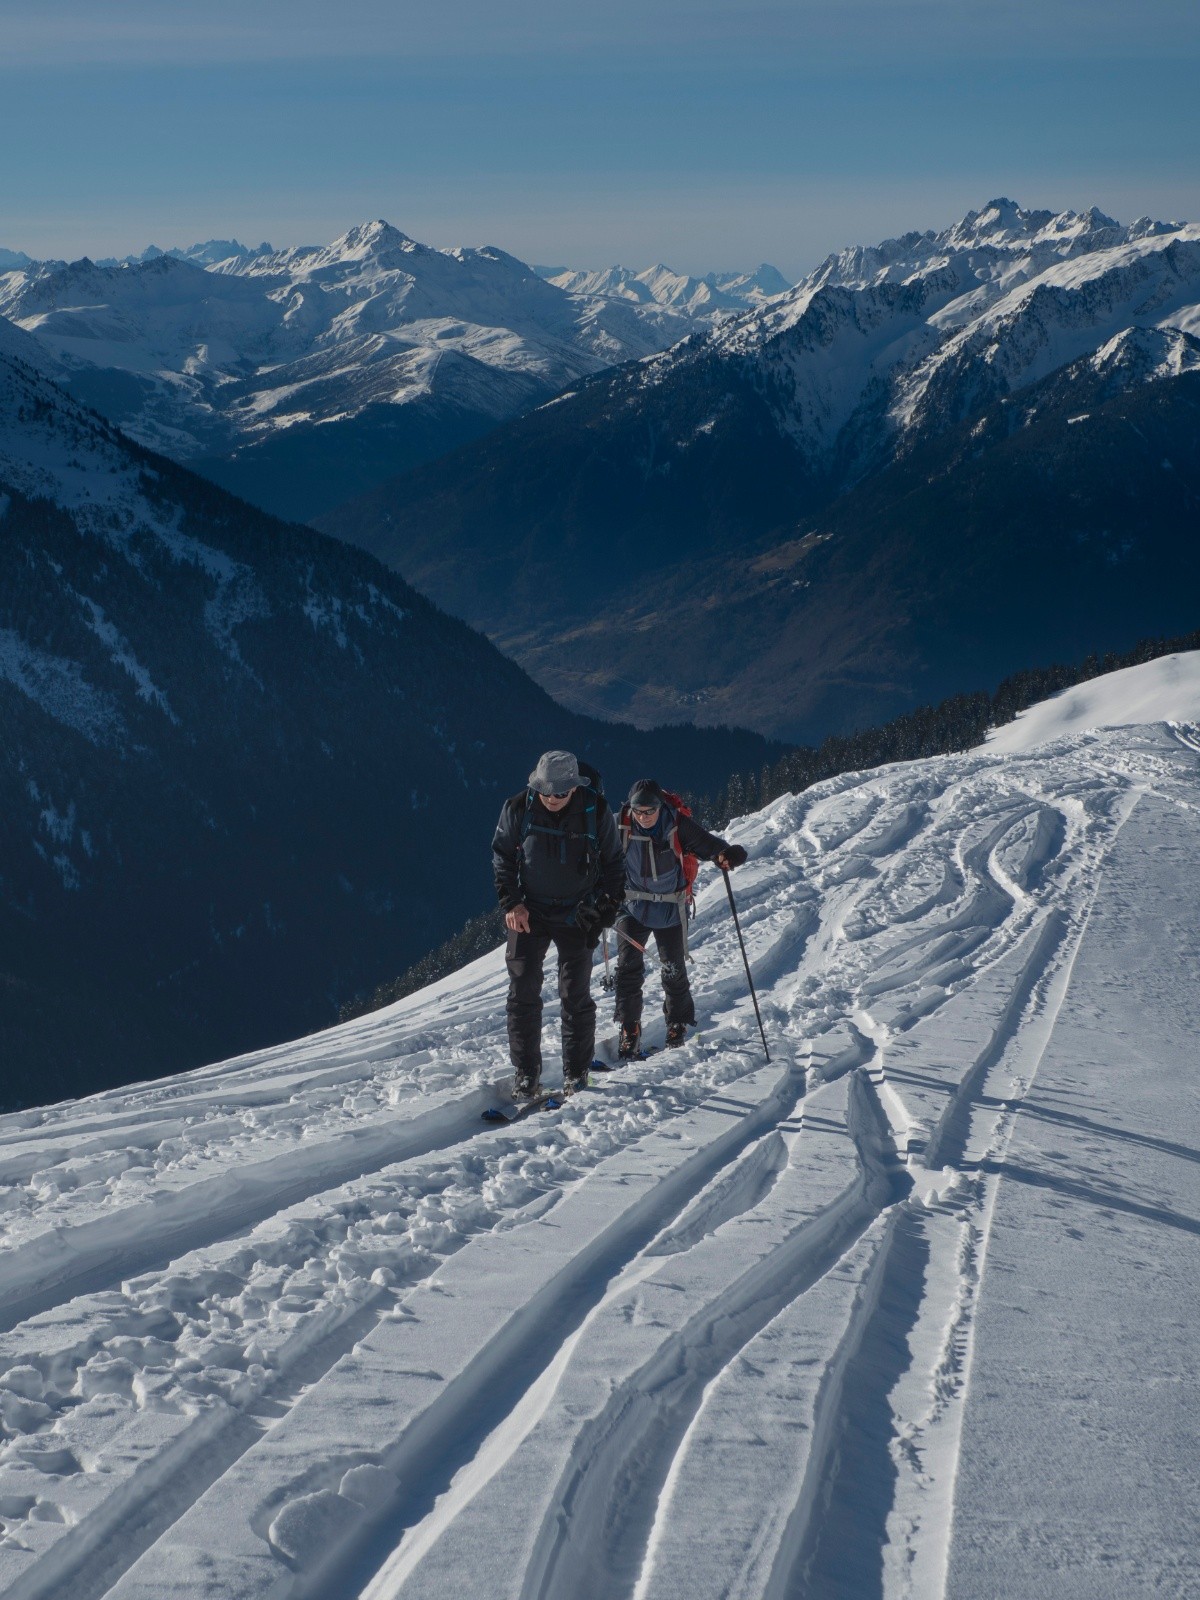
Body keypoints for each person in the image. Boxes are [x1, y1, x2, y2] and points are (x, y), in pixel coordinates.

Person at [492, 751, 624, 1098]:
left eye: (560, 793)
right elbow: (502, 856)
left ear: (575, 788)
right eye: (547, 791)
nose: (552, 798)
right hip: (528, 913)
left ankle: (577, 1073)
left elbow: (614, 866)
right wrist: (512, 902)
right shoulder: (518, 807)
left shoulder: (596, 811)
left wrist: (605, 908)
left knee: (574, 995)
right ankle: (525, 1074)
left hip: (576, 913)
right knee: (521, 993)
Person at [614, 778, 747, 1056]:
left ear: (660, 807)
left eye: (649, 811)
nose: (644, 816)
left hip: (670, 908)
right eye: (639, 811)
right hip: (632, 906)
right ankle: (629, 1027)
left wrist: (724, 854)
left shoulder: (676, 824)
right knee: (627, 970)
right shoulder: (621, 825)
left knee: (673, 970)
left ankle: (677, 1023)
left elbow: (706, 843)